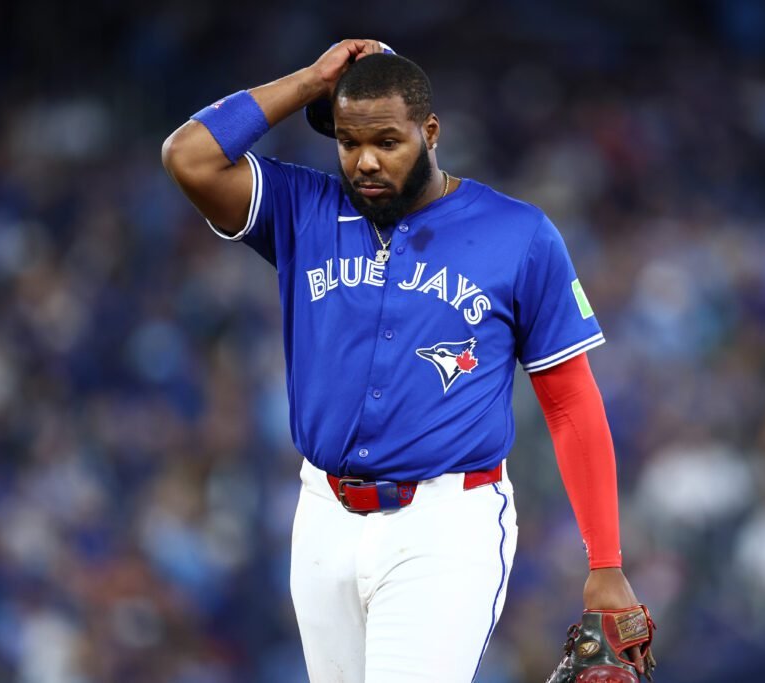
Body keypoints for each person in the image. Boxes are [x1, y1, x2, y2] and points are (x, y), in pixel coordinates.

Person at [162, 39, 649, 682]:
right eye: (347, 142)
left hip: (445, 523)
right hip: (323, 517)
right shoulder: (303, 208)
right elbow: (189, 155)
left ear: (431, 131)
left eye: (387, 142)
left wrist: (605, 562)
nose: (364, 161)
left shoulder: (518, 234)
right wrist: (311, 82)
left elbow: (569, 402)